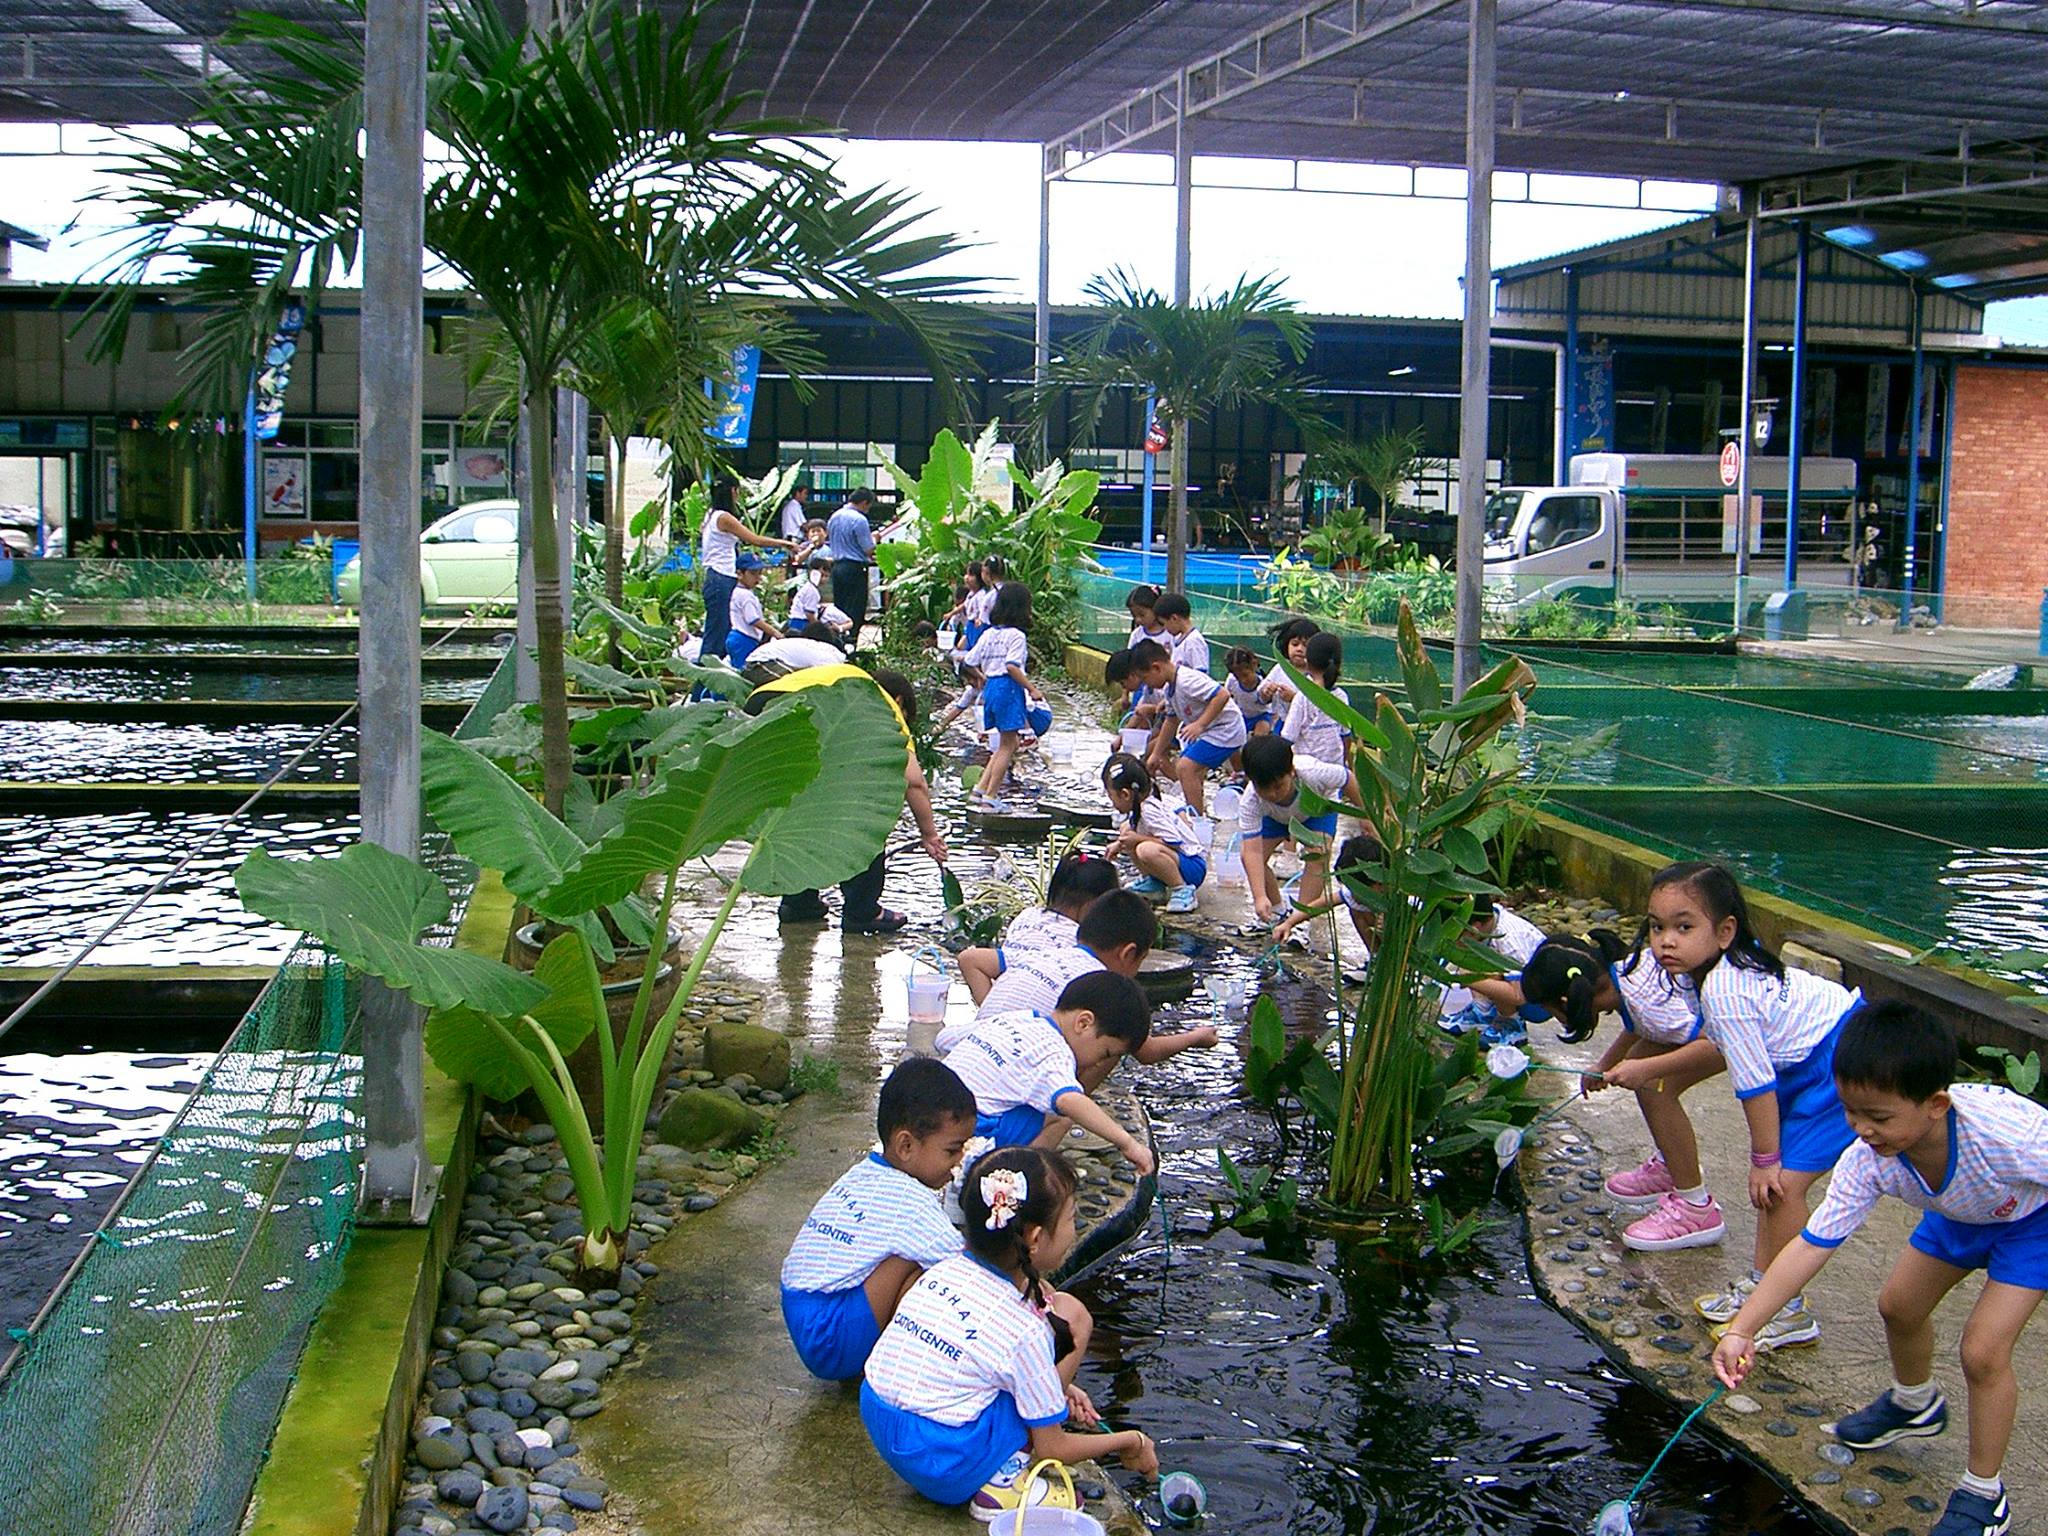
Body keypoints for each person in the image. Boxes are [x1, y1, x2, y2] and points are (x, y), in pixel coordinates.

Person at [1712, 1004, 2048, 1536]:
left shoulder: (2009, 1134)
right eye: (1850, 1111)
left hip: (2032, 1221)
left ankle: (1984, 1494)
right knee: (1898, 1306)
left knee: (1983, 1351)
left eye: (1879, 1117)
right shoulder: (1869, 1159)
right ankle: (1914, 1404)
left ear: (1936, 1104)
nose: (1862, 1129)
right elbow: (1811, 1245)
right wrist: (1743, 1328)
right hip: (1960, 1212)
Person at [860, 1146, 1158, 1520]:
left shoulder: (943, 1270)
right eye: (1070, 1218)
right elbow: (1052, 1449)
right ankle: (1001, 1485)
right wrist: (1132, 1441)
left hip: (882, 1422)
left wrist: (1052, 1389)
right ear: (1035, 1238)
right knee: (1069, 1496)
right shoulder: (1024, 1330)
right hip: (944, 1463)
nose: (1074, 1227)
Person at [1647, 860, 1862, 1350]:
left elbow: (1755, 1083)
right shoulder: (1715, 970)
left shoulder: (1726, 989)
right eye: (1657, 927)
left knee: (1781, 1185)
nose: (1666, 942)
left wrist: (1764, 1159)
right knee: (1774, 1190)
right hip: (1808, 1060)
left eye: (1684, 927)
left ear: (1725, 932)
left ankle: (1786, 1309)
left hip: (1838, 1061)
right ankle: (1764, 1286)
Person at [1518, 931, 1726, 1254]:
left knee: (1655, 1087)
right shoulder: (1625, 976)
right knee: (1643, 1062)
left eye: (1552, 1011)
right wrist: (1606, 1064)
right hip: (1709, 1027)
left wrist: (1645, 1070)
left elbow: (1716, 1042)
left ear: (1567, 1002)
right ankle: (1672, 1165)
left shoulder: (1645, 1000)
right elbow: (1640, 1026)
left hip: (1740, 1035)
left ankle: (1696, 1207)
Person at [780, 1058, 975, 1381]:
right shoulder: (907, 1201)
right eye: (952, 1151)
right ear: (906, 1145)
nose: (959, 1162)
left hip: (809, 1315)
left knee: (915, 1255)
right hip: (828, 1336)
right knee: (931, 1268)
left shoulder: (866, 1173)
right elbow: (969, 1268)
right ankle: (906, 1367)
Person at [766, 666, 947, 934]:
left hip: (769, 706)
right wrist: (929, 835)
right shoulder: (881, 707)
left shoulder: (842, 682)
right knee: (864, 818)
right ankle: (863, 912)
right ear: (898, 701)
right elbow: (914, 781)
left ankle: (798, 903)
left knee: (802, 817)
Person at [939, 971, 1157, 1175]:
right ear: (1083, 1023)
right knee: (1060, 1116)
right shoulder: (1056, 1051)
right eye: (1105, 1053)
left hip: (934, 1112)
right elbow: (1069, 1100)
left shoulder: (1017, 1019)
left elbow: (943, 1039)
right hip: (969, 1136)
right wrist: (1128, 1143)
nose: (1098, 1063)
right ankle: (1018, 1176)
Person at [955, 889, 1158, 1033]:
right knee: (1115, 1033)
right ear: (1128, 954)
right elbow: (1143, 1050)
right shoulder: (1101, 982)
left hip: (972, 1046)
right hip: (1017, 1067)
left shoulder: (1044, 954)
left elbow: (969, 958)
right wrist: (1182, 1038)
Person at [956, 854, 1123, 1003]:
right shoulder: (1077, 940)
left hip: (1006, 1002)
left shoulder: (1028, 915)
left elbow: (969, 959)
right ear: (1093, 906)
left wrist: (990, 1008)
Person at [1236, 734, 1357, 928]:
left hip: (1316, 809)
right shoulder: (1251, 801)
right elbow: (1253, 851)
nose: (1272, 794)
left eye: (1278, 786)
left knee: (1318, 855)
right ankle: (1275, 911)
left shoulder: (1314, 772)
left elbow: (1347, 778)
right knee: (1248, 857)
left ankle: (1301, 921)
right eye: (1264, 789)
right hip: (1275, 817)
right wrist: (1259, 897)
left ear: (1291, 771)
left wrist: (1365, 816)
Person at [952, 582, 1046, 808]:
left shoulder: (988, 634)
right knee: (1009, 745)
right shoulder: (1017, 636)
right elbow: (1012, 666)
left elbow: (969, 660)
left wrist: (983, 677)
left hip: (991, 689)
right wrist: (1031, 688)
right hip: (1008, 688)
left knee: (1005, 743)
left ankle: (980, 789)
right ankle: (991, 797)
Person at [1127, 638, 1244, 817]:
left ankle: (1195, 820)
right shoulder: (1170, 689)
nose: (1146, 684)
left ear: (1156, 668)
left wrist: (1199, 724)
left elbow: (1222, 695)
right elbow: (1171, 721)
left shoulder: (1187, 680)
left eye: (1145, 678)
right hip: (1211, 732)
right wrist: (1156, 754)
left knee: (1185, 767)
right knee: (1191, 770)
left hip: (1226, 730)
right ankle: (1198, 811)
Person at [700, 480, 798, 660]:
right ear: (733, 491)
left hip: (716, 576)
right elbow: (755, 540)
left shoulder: (710, 515)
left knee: (719, 630)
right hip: (721, 576)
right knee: (717, 634)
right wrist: (784, 543)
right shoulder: (724, 517)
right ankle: (703, 673)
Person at [1101, 752, 1207, 915]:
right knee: (1126, 831)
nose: (1111, 802)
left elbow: (1173, 842)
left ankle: (1182, 889)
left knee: (1145, 849)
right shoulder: (1140, 806)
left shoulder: (1149, 811)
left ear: (1125, 794)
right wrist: (1119, 844)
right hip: (1178, 861)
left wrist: (1137, 839)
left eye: (1111, 796)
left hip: (1192, 867)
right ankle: (1153, 884)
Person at [1280, 631, 1350, 769]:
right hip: (1335, 771)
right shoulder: (1341, 696)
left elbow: (1287, 739)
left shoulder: (1302, 698)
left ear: (1307, 661)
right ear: (1339, 664)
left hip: (1307, 772)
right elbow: (1346, 737)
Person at [826, 488, 878, 641]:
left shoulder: (834, 517)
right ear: (864, 503)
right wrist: (875, 538)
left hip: (837, 566)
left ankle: (838, 638)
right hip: (854, 567)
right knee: (855, 607)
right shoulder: (859, 520)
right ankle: (851, 639)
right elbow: (868, 549)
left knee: (840, 606)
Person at [723, 551, 780, 667]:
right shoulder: (745, 595)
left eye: (759, 573)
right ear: (740, 574)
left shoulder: (740, 592)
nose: (757, 578)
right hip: (744, 639)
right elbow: (753, 620)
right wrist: (775, 633)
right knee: (744, 672)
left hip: (739, 638)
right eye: (753, 573)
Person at [1256, 618, 1320, 716]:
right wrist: (1266, 691)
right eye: (1295, 644)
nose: (1299, 649)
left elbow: (1316, 707)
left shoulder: (1316, 674)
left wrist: (1294, 698)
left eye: (1305, 645)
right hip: (1279, 721)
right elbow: (1261, 697)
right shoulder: (1280, 668)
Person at [788, 556, 852, 645]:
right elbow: (809, 614)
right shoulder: (811, 591)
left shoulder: (809, 588)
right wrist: (818, 628)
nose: (824, 579)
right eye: (821, 575)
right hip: (801, 622)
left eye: (826, 576)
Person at [1224, 645, 1276, 738]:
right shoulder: (1231, 680)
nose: (1243, 680)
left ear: (1254, 665)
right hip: (1241, 715)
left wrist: (1267, 694)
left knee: (1260, 734)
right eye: (1237, 677)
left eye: (1245, 675)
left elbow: (1266, 701)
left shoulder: (1263, 685)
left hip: (1261, 715)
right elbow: (1226, 697)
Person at [1154, 592, 1210, 674]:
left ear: (1174, 618)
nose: (1165, 628)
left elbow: (1200, 675)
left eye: (1164, 624)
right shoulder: (1178, 640)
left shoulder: (1194, 642)